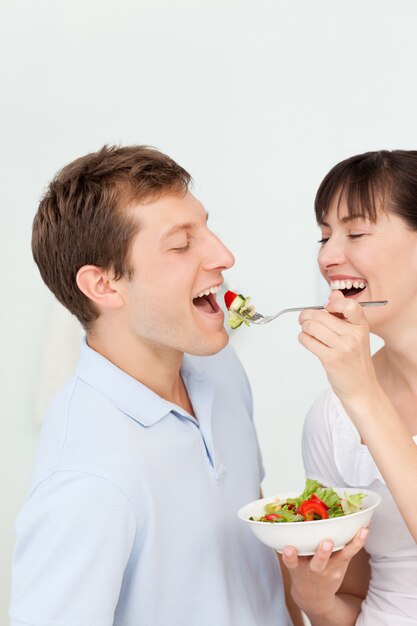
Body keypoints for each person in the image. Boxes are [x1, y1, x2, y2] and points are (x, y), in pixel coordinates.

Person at [9, 145, 296, 626]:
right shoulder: (86, 478)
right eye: (182, 244)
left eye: (205, 227)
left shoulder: (219, 367)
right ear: (103, 286)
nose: (223, 255)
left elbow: (256, 548)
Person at [282, 150, 417, 625]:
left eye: (355, 233)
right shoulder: (332, 416)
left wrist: (363, 395)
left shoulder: (354, 396)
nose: (326, 257)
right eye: (323, 236)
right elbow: (356, 598)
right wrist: (315, 598)